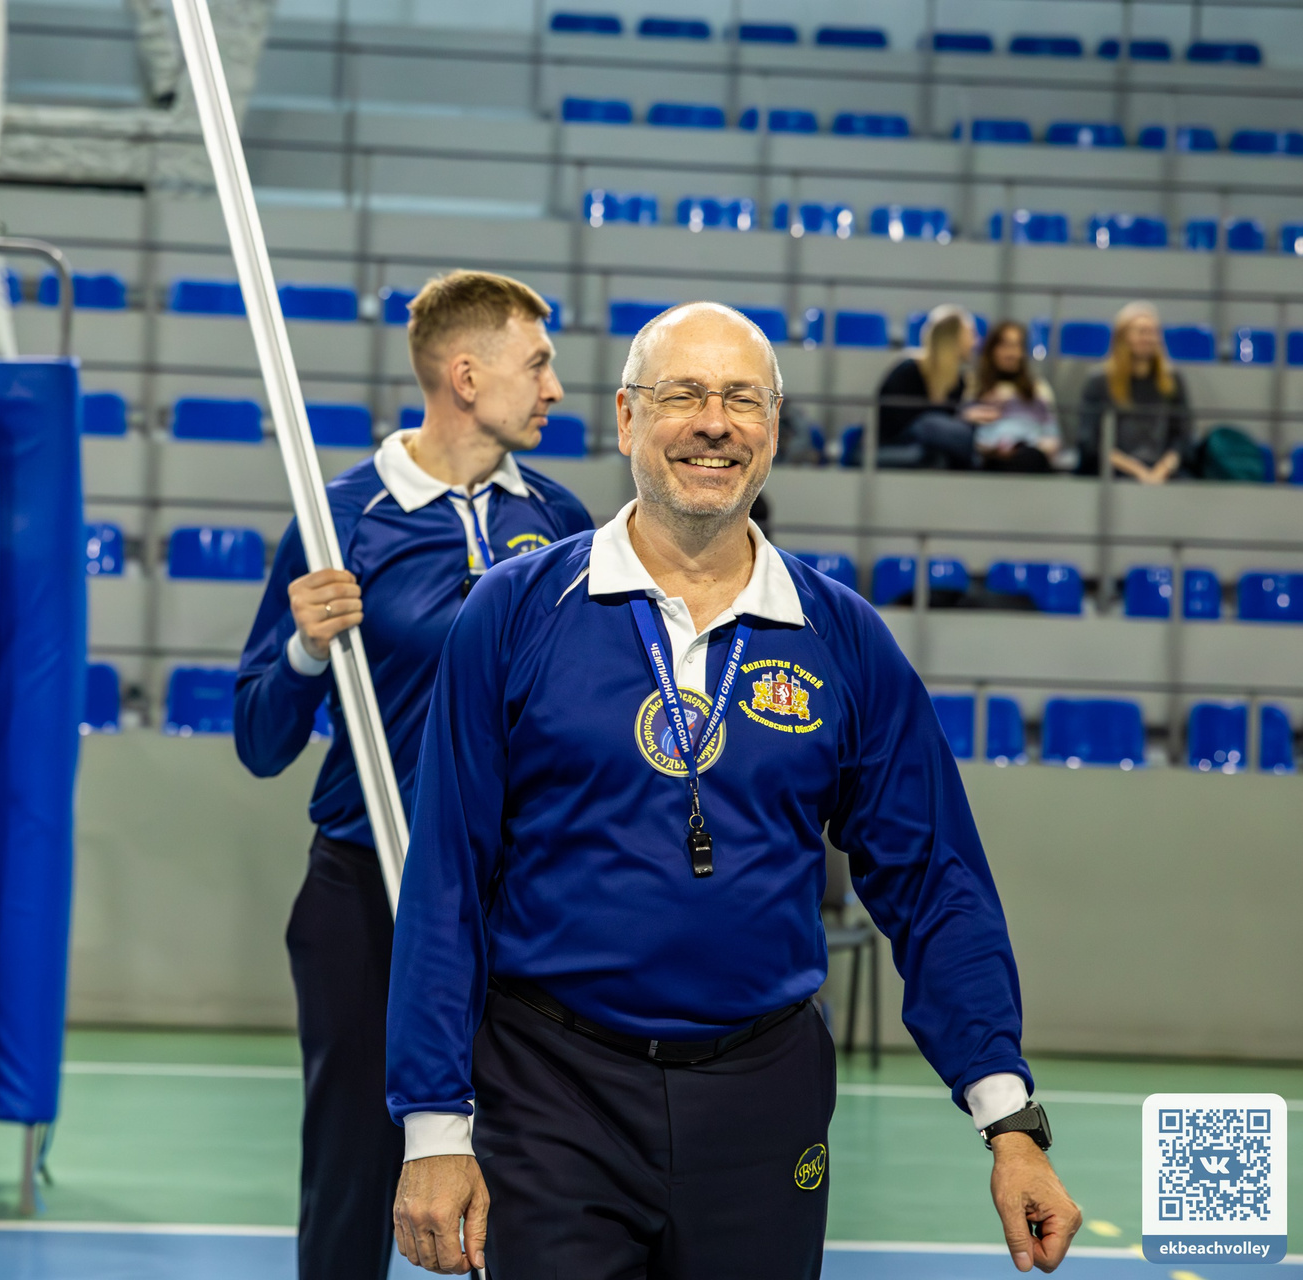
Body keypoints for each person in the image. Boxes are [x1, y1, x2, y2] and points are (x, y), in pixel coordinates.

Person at [387, 301, 1081, 1279]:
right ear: (626, 418)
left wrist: (1009, 1119)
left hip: (764, 1097)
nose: (714, 423)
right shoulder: (515, 612)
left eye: (743, 400)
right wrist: (432, 1125)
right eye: (684, 394)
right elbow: (446, 878)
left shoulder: (842, 638)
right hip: (550, 1091)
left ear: (774, 429)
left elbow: (935, 881)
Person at [234, 271, 595, 1280]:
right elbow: (258, 739)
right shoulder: (339, 517)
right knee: (354, 1164)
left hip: (515, 892)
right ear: (466, 376)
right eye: (538, 363)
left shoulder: (564, 519)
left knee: (528, 1162)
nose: (556, 388)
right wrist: (303, 649)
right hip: (366, 886)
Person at [1076, 301, 1191, 483]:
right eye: (1141, 332)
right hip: (1113, 471)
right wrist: (1139, 472)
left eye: (1153, 332)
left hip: (1163, 473)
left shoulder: (1172, 380)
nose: (1148, 338)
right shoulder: (1099, 381)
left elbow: (1183, 437)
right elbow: (1089, 441)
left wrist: (1161, 470)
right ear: (1123, 337)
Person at [873, 304, 991, 468]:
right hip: (893, 446)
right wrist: (961, 418)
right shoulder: (909, 370)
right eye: (971, 334)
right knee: (932, 426)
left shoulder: (958, 382)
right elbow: (903, 424)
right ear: (953, 337)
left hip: (933, 449)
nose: (976, 342)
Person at [967, 320, 1060, 473]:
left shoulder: (1038, 389)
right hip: (988, 459)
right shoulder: (974, 387)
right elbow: (964, 434)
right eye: (1005, 345)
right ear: (992, 350)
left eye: (1017, 346)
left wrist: (1031, 447)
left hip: (1031, 457)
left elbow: (1053, 437)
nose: (1011, 353)